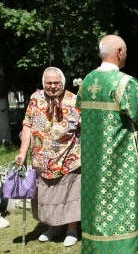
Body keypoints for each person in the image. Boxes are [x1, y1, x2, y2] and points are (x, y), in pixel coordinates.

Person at [76, 35, 138, 254]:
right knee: (120, 207)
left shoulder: (87, 80)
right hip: (119, 162)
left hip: (93, 160)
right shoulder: (124, 83)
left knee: (96, 207)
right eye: (125, 50)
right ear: (119, 52)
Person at [14, 67, 81, 247]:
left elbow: (84, 129)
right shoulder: (35, 99)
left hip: (68, 157)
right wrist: (22, 151)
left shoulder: (74, 100)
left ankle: (72, 230)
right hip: (42, 159)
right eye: (49, 83)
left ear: (63, 83)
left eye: (56, 83)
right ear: (44, 83)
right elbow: (27, 125)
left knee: (69, 194)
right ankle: (53, 226)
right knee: (47, 196)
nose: (52, 86)